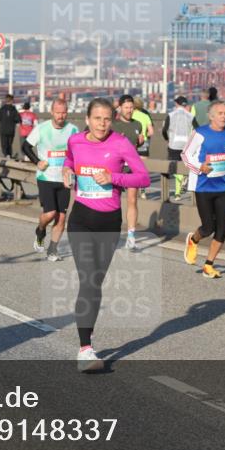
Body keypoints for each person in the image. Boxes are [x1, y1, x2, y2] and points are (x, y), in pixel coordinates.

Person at [63, 98, 150, 372]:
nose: (102, 123)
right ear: (87, 119)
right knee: (88, 280)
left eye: (106, 119)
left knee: (96, 283)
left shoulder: (121, 143)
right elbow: (69, 157)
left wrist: (114, 178)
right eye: (97, 118)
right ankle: (85, 348)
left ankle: (87, 339)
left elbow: (143, 177)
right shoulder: (76, 141)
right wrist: (67, 168)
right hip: (80, 221)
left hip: (109, 222)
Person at [181, 101, 225, 279]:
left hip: (223, 187)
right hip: (203, 187)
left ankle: (209, 265)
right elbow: (185, 155)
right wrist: (200, 167)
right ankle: (193, 239)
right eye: (220, 113)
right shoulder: (200, 133)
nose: (224, 116)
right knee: (208, 228)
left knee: (222, 229)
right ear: (211, 116)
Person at [22, 98, 79, 261]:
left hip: (65, 178)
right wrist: (37, 161)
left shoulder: (73, 130)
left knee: (61, 217)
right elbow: (25, 146)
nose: (61, 116)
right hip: (46, 177)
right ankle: (40, 230)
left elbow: (80, 150)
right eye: (58, 112)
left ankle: (52, 250)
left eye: (64, 112)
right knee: (50, 213)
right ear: (52, 112)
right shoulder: (42, 129)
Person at [111, 94, 145, 250]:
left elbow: (138, 143)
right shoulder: (113, 125)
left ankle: (131, 236)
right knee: (113, 202)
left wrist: (141, 140)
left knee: (132, 200)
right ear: (119, 108)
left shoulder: (137, 124)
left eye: (131, 107)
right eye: (126, 107)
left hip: (131, 168)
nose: (129, 110)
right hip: (115, 168)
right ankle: (112, 231)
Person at [163, 96, 194, 200]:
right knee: (184, 166)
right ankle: (184, 179)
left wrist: (167, 139)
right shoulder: (190, 116)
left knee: (175, 168)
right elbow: (198, 129)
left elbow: (164, 130)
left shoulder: (171, 115)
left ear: (176, 104)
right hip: (186, 145)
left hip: (173, 145)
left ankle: (177, 194)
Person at [0, 94, 21, 159]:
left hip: (3, 129)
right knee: (10, 143)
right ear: (11, 100)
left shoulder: (2, 109)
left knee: (4, 143)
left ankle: (6, 154)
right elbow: (17, 119)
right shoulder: (13, 109)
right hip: (11, 129)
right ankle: (9, 154)